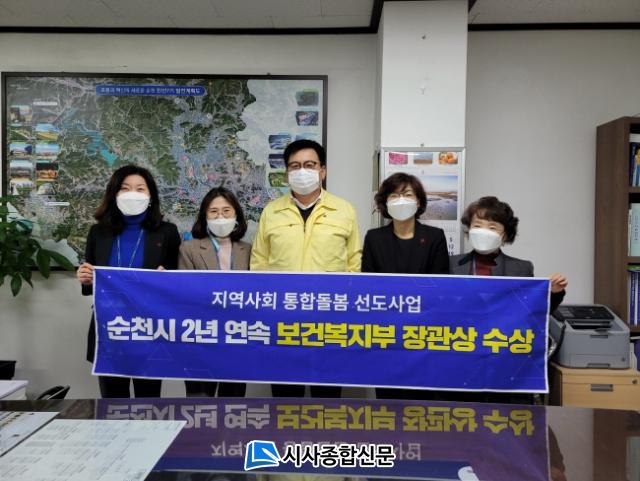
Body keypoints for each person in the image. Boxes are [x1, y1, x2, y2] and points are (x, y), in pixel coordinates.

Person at [251, 139, 362, 398]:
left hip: (329, 320)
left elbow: (354, 263)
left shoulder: (344, 210)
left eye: (310, 165)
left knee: (327, 396)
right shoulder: (271, 212)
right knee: (286, 397)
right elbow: (259, 263)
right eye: (295, 166)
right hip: (282, 321)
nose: (302, 171)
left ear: (322, 171)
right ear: (286, 173)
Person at [449, 196, 568, 404]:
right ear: (468, 229)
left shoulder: (520, 268)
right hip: (461, 355)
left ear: (505, 235)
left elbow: (532, 313)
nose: (483, 231)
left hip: (503, 357)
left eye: (492, 227)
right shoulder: (450, 264)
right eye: (477, 225)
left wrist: (553, 292)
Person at [77, 165, 181, 399]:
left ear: (151, 196)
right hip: (110, 328)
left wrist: (168, 278)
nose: (132, 193)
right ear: (114, 194)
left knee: (149, 402)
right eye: (125, 188)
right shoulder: (98, 233)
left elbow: (177, 281)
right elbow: (92, 281)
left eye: (140, 188)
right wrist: (85, 277)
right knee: (113, 403)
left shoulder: (166, 232)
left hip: (150, 328)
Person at [362, 172, 450, 399]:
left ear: (418, 201)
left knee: (420, 399)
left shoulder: (434, 237)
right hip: (385, 332)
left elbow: (440, 286)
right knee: (388, 399)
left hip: (423, 331)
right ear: (385, 202)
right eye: (394, 195)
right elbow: (368, 285)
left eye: (408, 194)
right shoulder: (374, 238)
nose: (401, 200)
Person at [178, 186, 251, 397]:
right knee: (199, 404)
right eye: (213, 211)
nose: (220, 217)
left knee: (233, 403)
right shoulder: (189, 249)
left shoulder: (248, 250)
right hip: (201, 338)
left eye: (226, 211)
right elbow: (184, 294)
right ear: (204, 216)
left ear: (236, 215)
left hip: (237, 338)